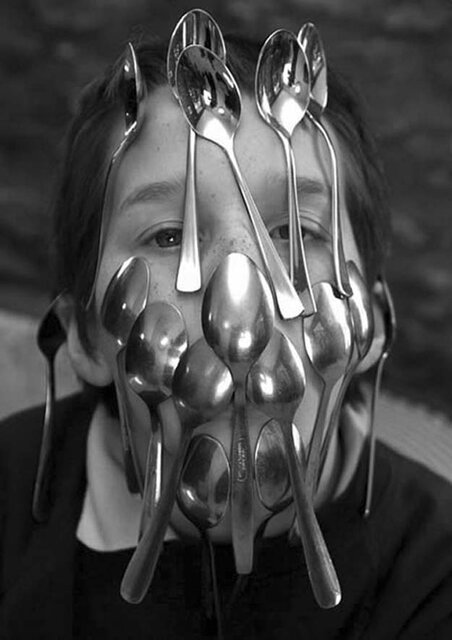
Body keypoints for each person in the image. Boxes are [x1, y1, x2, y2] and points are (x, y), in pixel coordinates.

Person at [1, 27, 452, 640]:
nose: (246, 297)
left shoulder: (436, 576)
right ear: (83, 334)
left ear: (370, 322)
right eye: (167, 235)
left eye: (296, 232)